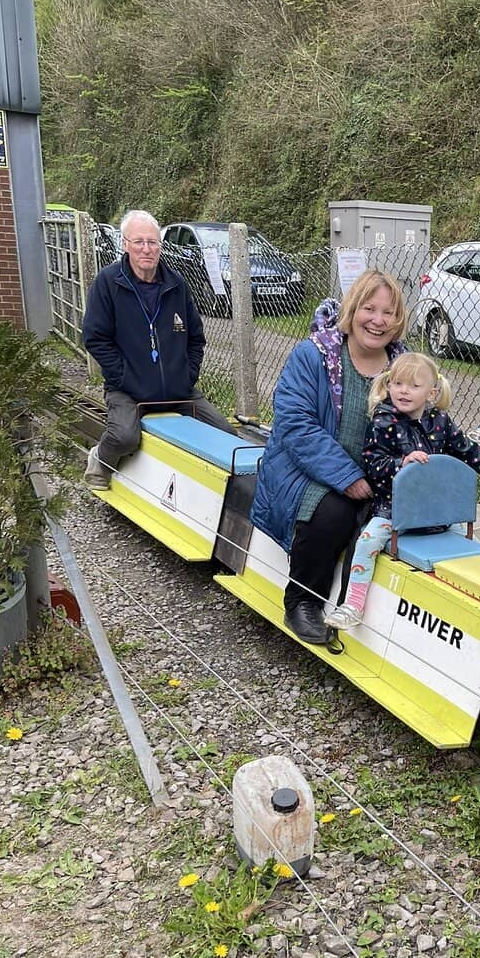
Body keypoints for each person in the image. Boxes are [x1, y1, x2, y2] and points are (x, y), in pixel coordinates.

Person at [250, 270, 409, 646]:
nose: (378, 320)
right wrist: (347, 477)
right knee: (334, 514)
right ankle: (302, 600)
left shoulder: (405, 367)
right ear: (352, 310)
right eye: (369, 308)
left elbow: (427, 421)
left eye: (388, 312)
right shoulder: (313, 355)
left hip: (377, 476)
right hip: (305, 468)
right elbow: (295, 425)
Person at [324, 353, 480, 629]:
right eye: (398, 383)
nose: (404, 391)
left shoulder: (440, 421)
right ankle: (353, 604)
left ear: (431, 392)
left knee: (470, 549)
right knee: (367, 541)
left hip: (434, 512)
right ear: (388, 386)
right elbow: (373, 464)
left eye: (414, 386)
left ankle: (472, 610)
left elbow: (463, 447)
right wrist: (401, 463)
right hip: (394, 510)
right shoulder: (383, 422)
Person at [81, 210, 236, 489]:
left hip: (178, 391)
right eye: (139, 242)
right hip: (129, 390)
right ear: (125, 244)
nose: (146, 249)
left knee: (226, 436)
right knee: (124, 437)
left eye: (152, 242)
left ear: (160, 246)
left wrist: (186, 376)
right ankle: (100, 460)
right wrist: (123, 377)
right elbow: (95, 337)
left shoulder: (176, 284)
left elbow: (196, 338)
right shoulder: (108, 283)